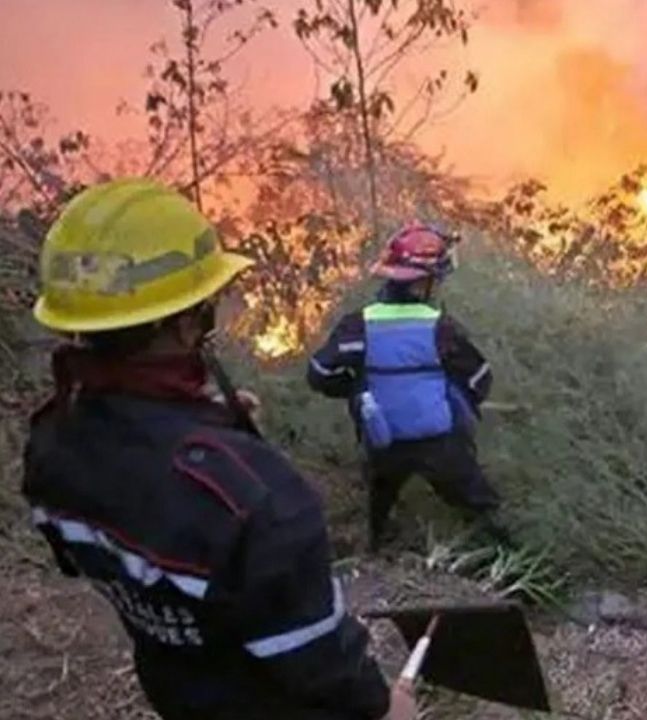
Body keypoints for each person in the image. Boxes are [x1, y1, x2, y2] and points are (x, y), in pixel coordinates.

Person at [21, 178, 416, 720]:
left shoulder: (49, 444)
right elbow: (321, 663)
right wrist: (386, 708)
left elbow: (93, 552)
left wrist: (202, 429)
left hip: (179, 692)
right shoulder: (266, 504)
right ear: (188, 325)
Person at [307, 222, 509, 551]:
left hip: (382, 440)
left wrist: (357, 386)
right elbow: (479, 378)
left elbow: (318, 373)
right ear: (422, 283)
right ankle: (517, 573)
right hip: (440, 444)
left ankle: (376, 558)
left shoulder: (359, 324)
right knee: (482, 509)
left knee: (379, 514)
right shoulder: (440, 327)